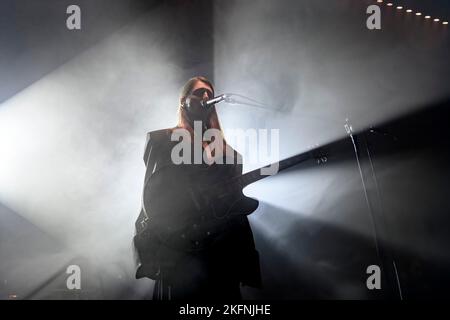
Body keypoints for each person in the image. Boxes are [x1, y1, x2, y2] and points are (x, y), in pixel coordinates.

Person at [133, 76, 261, 300]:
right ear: (184, 101)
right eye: (199, 93)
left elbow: (233, 205)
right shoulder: (163, 140)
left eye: (210, 94)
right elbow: (152, 194)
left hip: (221, 252)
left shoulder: (229, 154)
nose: (205, 97)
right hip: (180, 248)